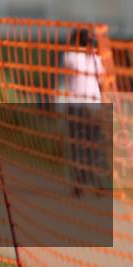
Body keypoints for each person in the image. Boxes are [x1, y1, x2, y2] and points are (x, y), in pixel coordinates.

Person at [57, 28, 107, 196]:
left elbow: (64, 74)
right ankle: (97, 181)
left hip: (75, 105)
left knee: (77, 144)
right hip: (94, 105)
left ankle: (79, 182)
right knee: (94, 144)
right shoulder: (97, 59)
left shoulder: (69, 57)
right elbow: (102, 80)